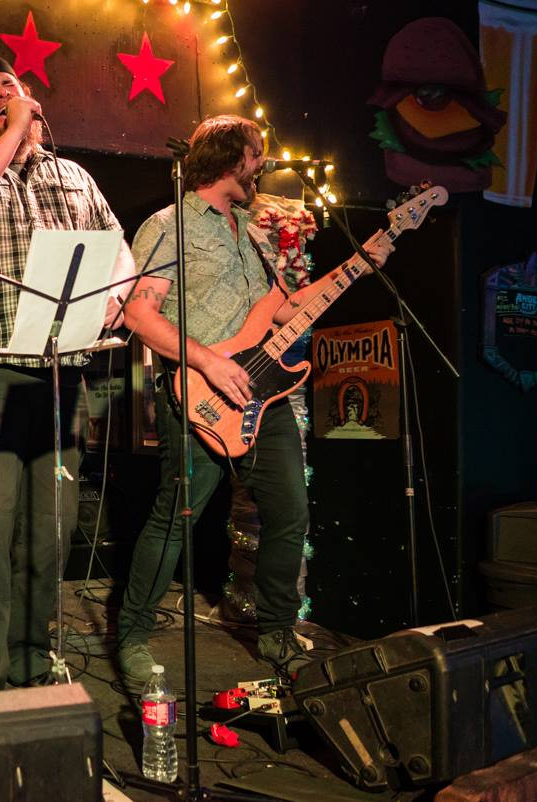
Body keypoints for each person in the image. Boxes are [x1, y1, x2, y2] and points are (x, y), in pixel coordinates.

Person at [115, 115, 394, 687]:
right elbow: (138, 314)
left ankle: (276, 633)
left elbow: (286, 310)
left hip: (263, 395)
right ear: (228, 156)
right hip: (199, 393)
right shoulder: (169, 225)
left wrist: (359, 266)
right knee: (174, 519)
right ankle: (132, 636)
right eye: (255, 152)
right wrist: (208, 361)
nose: (261, 163)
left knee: (290, 513)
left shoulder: (253, 233)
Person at [0, 54, 135, 693]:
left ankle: (30, 667)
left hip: (61, 375)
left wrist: (114, 296)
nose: (7, 93)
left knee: (49, 534)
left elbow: (119, 254)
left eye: (13, 86)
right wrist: (13, 130)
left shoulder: (73, 176)